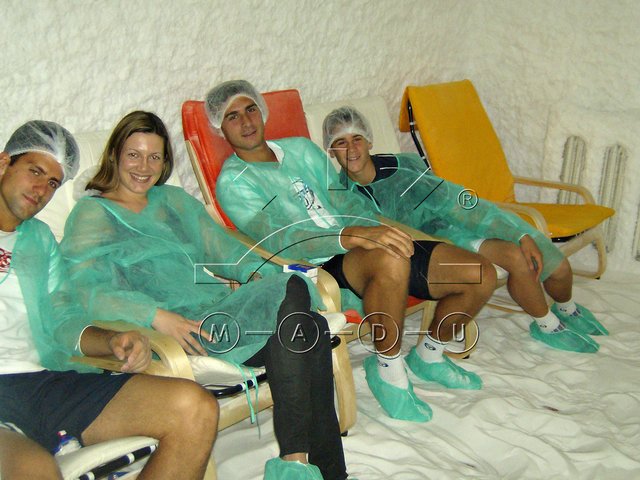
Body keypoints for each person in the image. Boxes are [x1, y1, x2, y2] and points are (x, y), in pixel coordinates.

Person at [59, 111, 346, 480]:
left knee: (298, 307)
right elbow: (85, 289)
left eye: (154, 156)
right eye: (134, 154)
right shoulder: (94, 213)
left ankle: (298, 465)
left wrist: (254, 271)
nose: (144, 167)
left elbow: (222, 248)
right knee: (307, 323)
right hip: (180, 334)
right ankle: (319, 471)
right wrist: (155, 316)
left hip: (218, 312)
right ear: (115, 155)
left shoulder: (173, 200)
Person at [209, 80, 498, 425]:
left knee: (480, 274)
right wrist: (351, 236)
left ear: (262, 111)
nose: (245, 121)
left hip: (360, 238)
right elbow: (282, 238)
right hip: (316, 263)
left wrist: (373, 228)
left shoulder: (302, 149)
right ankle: (388, 370)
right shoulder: (235, 182)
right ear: (220, 128)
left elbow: (344, 198)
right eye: (232, 117)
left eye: (250, 109)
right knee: (392, 259)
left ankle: (430, 356)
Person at [0, 120, 218, 480]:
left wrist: (113, 340)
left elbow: (63, 318)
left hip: (44, 383)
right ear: (4, 163)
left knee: (194, 408)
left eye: (53, 183)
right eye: (35, 172)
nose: (41, 190)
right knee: (36, 470)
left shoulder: (39, 240)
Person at [321, 105, 606, 353]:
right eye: (341, 143)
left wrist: (520, 233)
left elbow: (457, 200)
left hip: (453, 228)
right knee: (514, 258)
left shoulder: (404, 167)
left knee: (531, 254)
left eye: (357, 139)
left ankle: (564, 310)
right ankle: (548, 326)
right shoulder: (340, 194)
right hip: (428, 251)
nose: (351, 149)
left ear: (369, 141)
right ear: (331, 150)